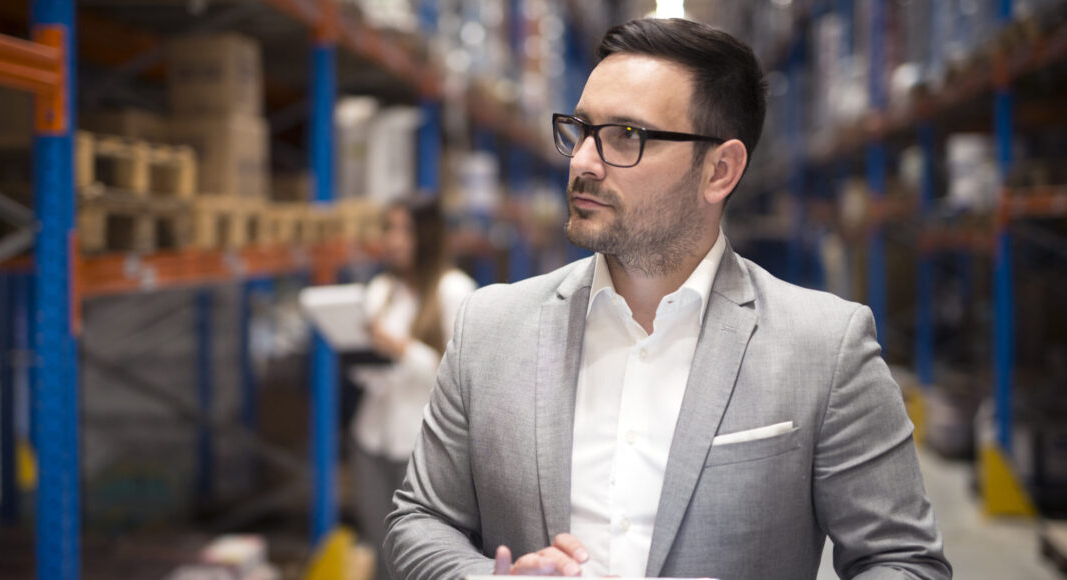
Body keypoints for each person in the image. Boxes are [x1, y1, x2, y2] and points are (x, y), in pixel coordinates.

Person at [384, 18, 951, 580]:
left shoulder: (824, 348)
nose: (582, 161)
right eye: (581, 130)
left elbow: (904, 561)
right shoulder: (489, 328)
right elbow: (421, 519)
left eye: (626, 136)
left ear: (719, 171)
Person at [348, 196, 476, 580]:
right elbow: (364, 376)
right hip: (372, 438)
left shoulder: (455, 290)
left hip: (424, 447)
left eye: (404, 230)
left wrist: (400, 349)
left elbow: (461, 378)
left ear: (428, 235)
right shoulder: (381, 289)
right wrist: (357, 351)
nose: (393, 240)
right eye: (389, 229)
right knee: (380, 548)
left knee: (419, 556)